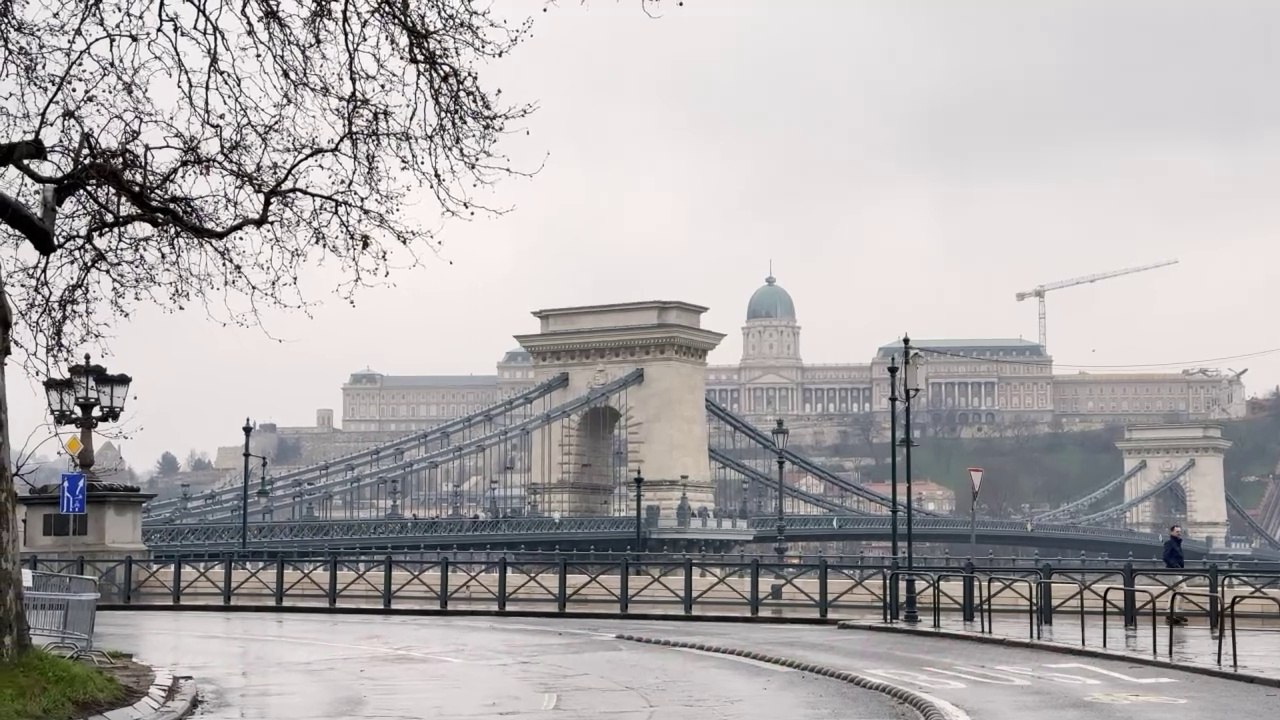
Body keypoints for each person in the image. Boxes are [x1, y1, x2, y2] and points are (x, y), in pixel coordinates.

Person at [1162, 524, 1188, 625]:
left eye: (1179, 531)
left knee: (1173, 591)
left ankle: (1170, 614)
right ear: (1171, 532)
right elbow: (1165, 557)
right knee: (1183, 589)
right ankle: (1177, 612)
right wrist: (1175, 565)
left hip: (1178, 570)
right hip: (1172, 570)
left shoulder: (1177, 543)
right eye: (1177, 531)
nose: (1179, 533)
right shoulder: (1169, 543)